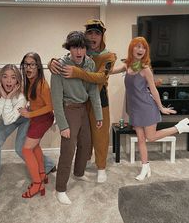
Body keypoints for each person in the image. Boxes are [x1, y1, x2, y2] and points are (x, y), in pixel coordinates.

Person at [111, 36, 189, 180]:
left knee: (150, 137)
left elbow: (154, 90)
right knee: (140, 139)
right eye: (137, 46)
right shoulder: (128, 65)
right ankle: (145, 167)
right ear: (131, 48)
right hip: (134, 109)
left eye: (143, 47)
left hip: (146, 107)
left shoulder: (145, 69)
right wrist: (105, 62)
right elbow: (110, 71)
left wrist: (161, 107)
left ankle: (180, 127)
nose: (140, 49)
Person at [49, 19, 116, 183]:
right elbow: (65, 59)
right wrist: (52, 62)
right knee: (81, 139)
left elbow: (101, 77)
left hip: (98, 98)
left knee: (100, 135)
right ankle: (81, 167)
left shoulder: (108, 56)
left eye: (97, 33)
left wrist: (77, 72)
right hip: (78, 101)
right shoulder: (79, 53)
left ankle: (101, 167)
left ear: (102, 37)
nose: (93, 36)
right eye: (90, 33)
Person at [51, 31, 103, 205]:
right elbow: (56, 99)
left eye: (81, 47)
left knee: (86, 144)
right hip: (68, 110)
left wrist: (98, 114)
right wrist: (62, 124)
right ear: (69, 49)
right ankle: (60, 188)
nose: (79, 52)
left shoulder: (89, 63)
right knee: (68, 150)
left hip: (83, 109)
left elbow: (93, 91)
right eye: (75, 47)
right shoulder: (59, 66)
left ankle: (79, 173)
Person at [19, 53, 54, 198]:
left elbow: (50, 106)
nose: (29, 67)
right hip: (37, 117)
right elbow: (35, 102)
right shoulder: (30, 81)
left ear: (38, 66)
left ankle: (37, 183)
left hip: (43, 118)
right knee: (35, 147)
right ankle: (42, 175)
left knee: (26, 150)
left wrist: (29, 114)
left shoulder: (41, 84)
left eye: (32, 64)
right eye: (26, 64)